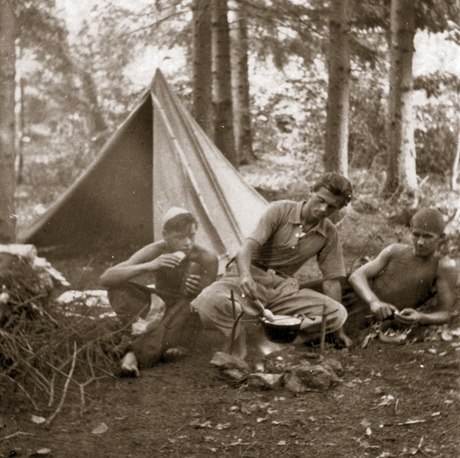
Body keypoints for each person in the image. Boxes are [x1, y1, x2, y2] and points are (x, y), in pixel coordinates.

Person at [192, 173, 354, 366]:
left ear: (339, 208)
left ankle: (268, 337)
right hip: (246, 277)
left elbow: (332, 280)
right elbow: (246, 249)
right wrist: (245, 276)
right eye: (320, 200)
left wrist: (338, 330)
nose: (323, 209)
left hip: (282, 289)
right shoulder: (280, 210)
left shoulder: (328, 233)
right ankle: (253, 334)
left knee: (337, 313)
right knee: (208, 300)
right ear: (311, 191)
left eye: (331, 207)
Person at [99, 207, 218, 376]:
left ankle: (133, 353)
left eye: (191, 235)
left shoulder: (206, 258)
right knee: (118, 288)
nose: (187, 243)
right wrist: (150, 265)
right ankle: (164, 344)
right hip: (160, 308)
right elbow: (105, 278)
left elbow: (207, 301)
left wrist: (200, 289)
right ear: (165, 235)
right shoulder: (156, 250)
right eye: (179, 237)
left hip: (185, 314)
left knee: (189, 306)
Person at [347, 208, 457, 331]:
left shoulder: (442, 266)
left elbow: (445, 313)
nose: (420, 242)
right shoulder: (395, 250)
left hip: (377, 320)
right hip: (355, 298)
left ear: (441, 237)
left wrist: (421, 317)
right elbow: (356, 276)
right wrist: (374, 302)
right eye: (416, 234)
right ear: (411, 232)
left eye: (427, 236)